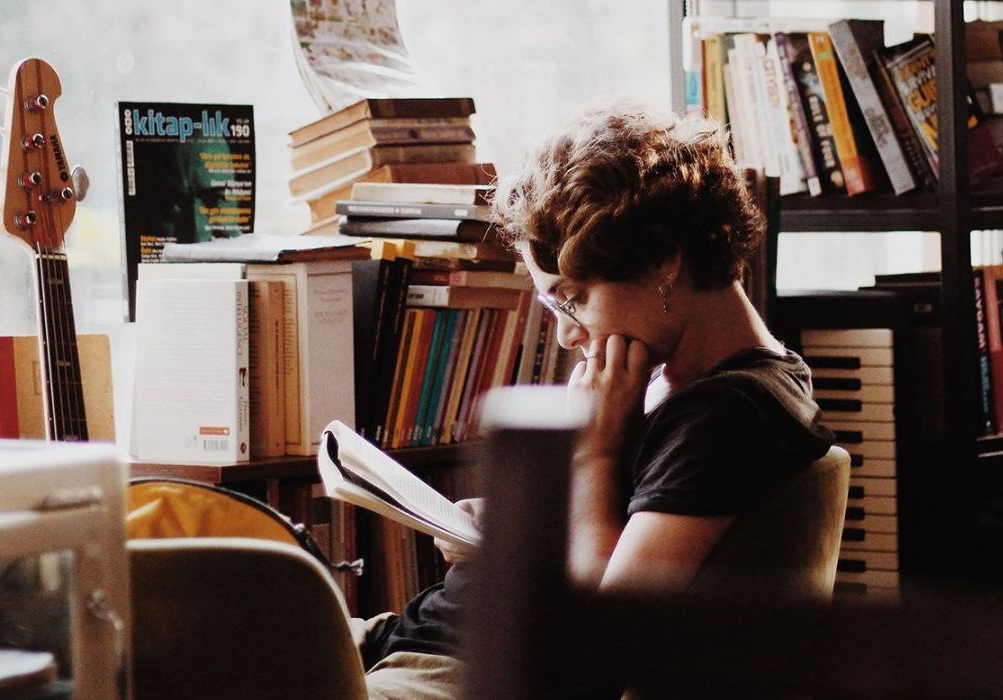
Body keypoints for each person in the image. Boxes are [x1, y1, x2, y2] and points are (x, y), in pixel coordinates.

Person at [354, 100, 838, 699]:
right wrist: (517, 536)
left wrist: (594, 455)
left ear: (663, 261)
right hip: (411, 642)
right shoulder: (684, 384)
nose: (565, 333)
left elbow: (602, 643)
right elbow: (607, 533)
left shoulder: (728, 415)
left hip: (448, 672)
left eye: (575, 297)